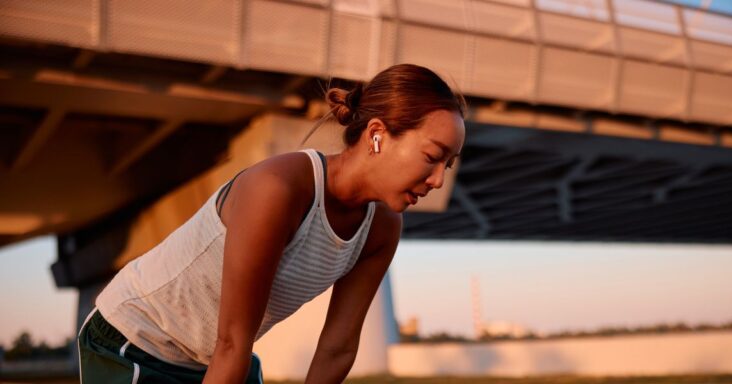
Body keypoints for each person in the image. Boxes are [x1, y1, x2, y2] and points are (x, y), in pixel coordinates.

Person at [77, 63, 466, 383]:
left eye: (447, 164)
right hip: (136, 338)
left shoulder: (382, 227)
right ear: (377, 134)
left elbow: (338, 347)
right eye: (432, 156)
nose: (437, 180)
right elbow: (232, 340)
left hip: (218, 359)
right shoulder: (277, 189)